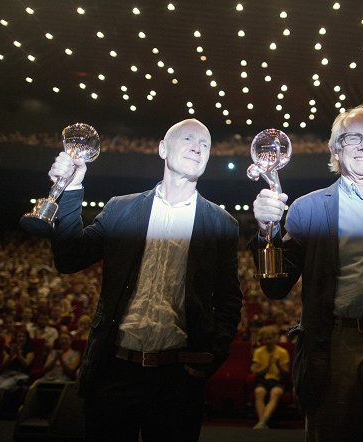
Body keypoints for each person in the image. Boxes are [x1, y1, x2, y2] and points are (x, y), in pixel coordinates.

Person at [47, 118, 243, 442]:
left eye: (205, 145)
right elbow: (68, 259)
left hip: (179, 379)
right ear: (163, 149)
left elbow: (229, 299)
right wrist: (70, 189)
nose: (198, 147)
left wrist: (208, 360)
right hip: (115, 371)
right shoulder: (121, 210)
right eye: (189, 139)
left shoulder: (222, 224)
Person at [251, 105, 363, 442]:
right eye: (353, 138)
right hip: (336, 348)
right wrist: (266, 231)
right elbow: (275, 286)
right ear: (335, 148)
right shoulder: (308, 209)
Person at [0, 327, 35, 421]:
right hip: (6, 373)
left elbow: (26, 365)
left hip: (20, 374)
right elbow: (3, 366)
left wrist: (19, 355)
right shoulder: (9, 349)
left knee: (1, 388)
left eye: (23, 337)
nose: (20, 339)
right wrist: (11, 356)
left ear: (26, 338)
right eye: (19, 337)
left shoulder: (29, 350)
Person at [250, 325, 290, 429]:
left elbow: (286, 373)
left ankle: (262, 422)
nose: (267, 341)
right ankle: (262, 423)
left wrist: (278, 365)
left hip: (278, 380)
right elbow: (256, 371)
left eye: (270, 338)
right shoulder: (258, 352)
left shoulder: (282, 352)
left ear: (275, 338)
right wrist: (267, 366)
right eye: (265, 339)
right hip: (263, 379)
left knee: (275, 393)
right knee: (259, 392)